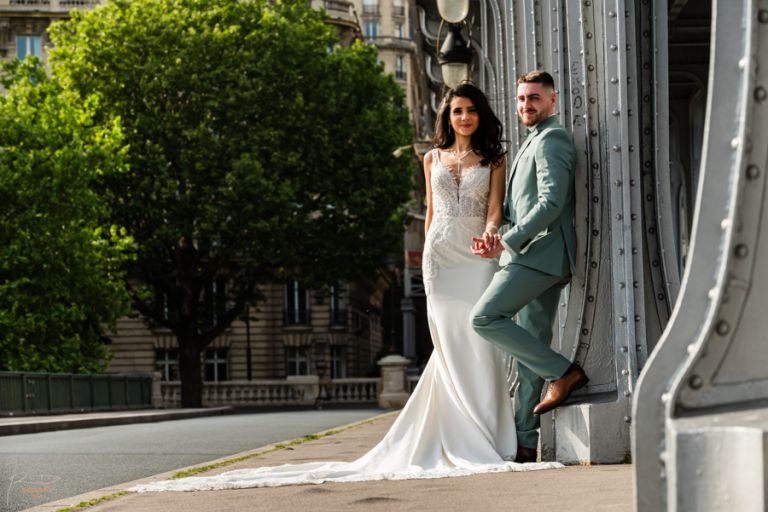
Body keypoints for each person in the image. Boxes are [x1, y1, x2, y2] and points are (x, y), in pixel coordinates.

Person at [131, 83, 560, 494]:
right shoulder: (431, 159)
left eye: (471, 110)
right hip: (441, 261)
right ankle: (462, 433)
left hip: (477, 258)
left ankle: (486, 433)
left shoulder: (495, 157)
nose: (464, 117)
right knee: (449, 346)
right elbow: (430, 215)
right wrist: (428, 262)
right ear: (447, 117)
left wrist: (490, 236)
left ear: (481, 114)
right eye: (457, 111)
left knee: (480, 340)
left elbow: (493, 210)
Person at [470, 70, 588, 464]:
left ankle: (564, 373)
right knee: (528, 351)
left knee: (485, 318)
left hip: (539, 255)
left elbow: (552, 203)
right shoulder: (530, 142)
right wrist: (492, 226)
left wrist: (508, 240)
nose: (526, 106)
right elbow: (515, 207)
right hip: (536, 254)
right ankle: (524, 444)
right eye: (521, 99)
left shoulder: (552, 139)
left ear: (553, 100)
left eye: (534, 98)